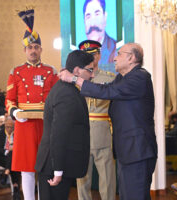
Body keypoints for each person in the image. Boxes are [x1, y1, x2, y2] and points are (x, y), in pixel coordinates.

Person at [59, 43, 158, 200]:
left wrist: (73, 79)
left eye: (119, 54)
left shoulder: (140, 76)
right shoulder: (122, 78)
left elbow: (108, 91)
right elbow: (103, 88)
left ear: (131, 58)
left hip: (137, 151)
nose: (114, 58)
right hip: (128, 150)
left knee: (136, 196)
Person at [5, 9, 58, 200]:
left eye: (36, 46)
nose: (33, 50)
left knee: (45, 166)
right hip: (24, 124)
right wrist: (15, 112)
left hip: (46, 124)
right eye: (30, 47)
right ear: (25, 50)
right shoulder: (16, 72)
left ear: (41, 49)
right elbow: (9, 99)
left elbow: (57, 98)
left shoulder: (51, 71)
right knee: (27, 168)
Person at [35, 50, 93, 200]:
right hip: (54, 166)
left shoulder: (68, 89)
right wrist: (58, 170)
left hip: (58, 164)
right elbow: (59, 134)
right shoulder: (66, 93)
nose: (92, 75)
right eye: (90, 70)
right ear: (77, 71)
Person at [76, 40, 116, 200]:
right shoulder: (74, 80)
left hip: (103, 133)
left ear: (98, 56)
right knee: (82, 180)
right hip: (81, 134)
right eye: (86, 56)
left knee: (107, 180)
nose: (90, 59)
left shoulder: (110, 78)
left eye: (92, 55)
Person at [0, 116, 21, 200]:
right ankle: (16, 187)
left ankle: (6, 172)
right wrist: (7, 150)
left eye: (11, 127)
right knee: (12, 161)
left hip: (14, 158)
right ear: (4, 125)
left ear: (15, 126)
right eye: (7, 126)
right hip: (1, 158)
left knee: (12, 158)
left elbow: (21, 148)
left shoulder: (18, 134)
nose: (9, 129)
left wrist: (12, 150)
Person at [83, 0, 116, 72]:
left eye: (97, 14)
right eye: (88, 16)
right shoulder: (79, 53)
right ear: (84, 21)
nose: (92, 23)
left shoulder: (116, 49)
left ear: (105, 17)